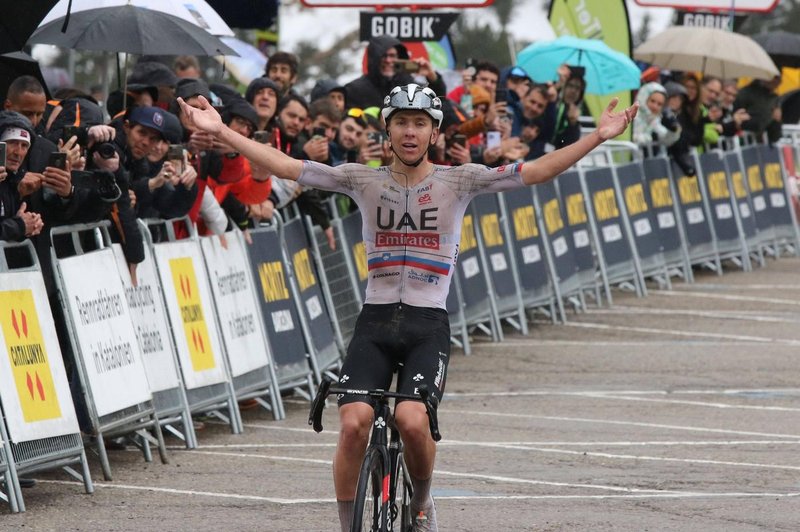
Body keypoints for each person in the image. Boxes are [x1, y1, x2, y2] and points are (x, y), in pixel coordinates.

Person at [177, 83, 637, 532]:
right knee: (354, 422)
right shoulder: (362, 178)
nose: (411, 132)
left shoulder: (460, 180)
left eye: (420, 123)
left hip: (426, 323)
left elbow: (534, 171)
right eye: (401, 123)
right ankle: (346, 524)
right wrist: (221, 132)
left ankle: (420, 502)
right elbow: (286, 165)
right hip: (374, 321)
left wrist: (596, 137)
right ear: (388, 130)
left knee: (411, 421)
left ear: (435, 133)